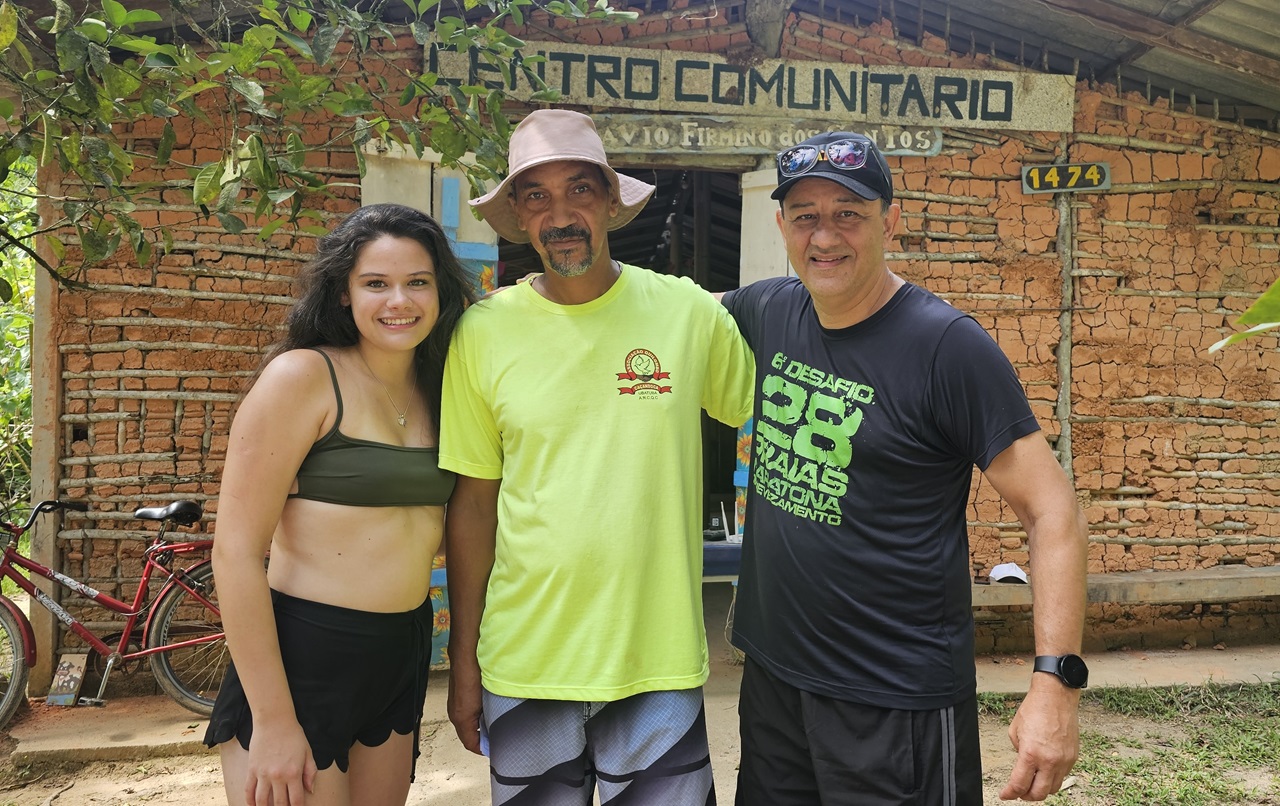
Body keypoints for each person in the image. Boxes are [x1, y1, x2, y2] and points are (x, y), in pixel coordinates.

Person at [720, 132, 1089, 805]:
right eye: (804, 215)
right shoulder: (766, 311)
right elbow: (654, 322)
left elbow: (1052, 510)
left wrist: (1054, 685)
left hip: (895, 703)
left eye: (848, 214)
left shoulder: (946, 347)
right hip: (774, 683)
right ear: (780, 226)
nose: (824, 236)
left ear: (890, 220)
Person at [440, 108, 755, 805]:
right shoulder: (483, 334)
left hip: (657, 661)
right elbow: (472, 508)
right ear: (519, 218)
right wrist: (464, 662)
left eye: (580, 189)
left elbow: (773, 407)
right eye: (536, 196)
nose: (560, 214)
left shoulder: (687, 314)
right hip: (527, 660)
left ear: (612, 202)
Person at [204, 203, 476, 806]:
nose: (398, 301)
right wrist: (274, 721)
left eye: (417, 282)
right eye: (375, 283)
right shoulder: (303, 377)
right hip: (304, 657)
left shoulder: (444, 388)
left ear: (441, 292)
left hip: (399, 652)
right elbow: (237, 553)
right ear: (344, 294)